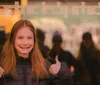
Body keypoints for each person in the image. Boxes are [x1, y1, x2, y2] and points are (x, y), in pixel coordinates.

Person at [0, 20, 71, 85]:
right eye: (20, 38)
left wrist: (63, 72)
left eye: (29, 38)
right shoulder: (2, 66)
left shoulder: (45, 66)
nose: (25, 43)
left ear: (34, 41)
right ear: (13, 40)